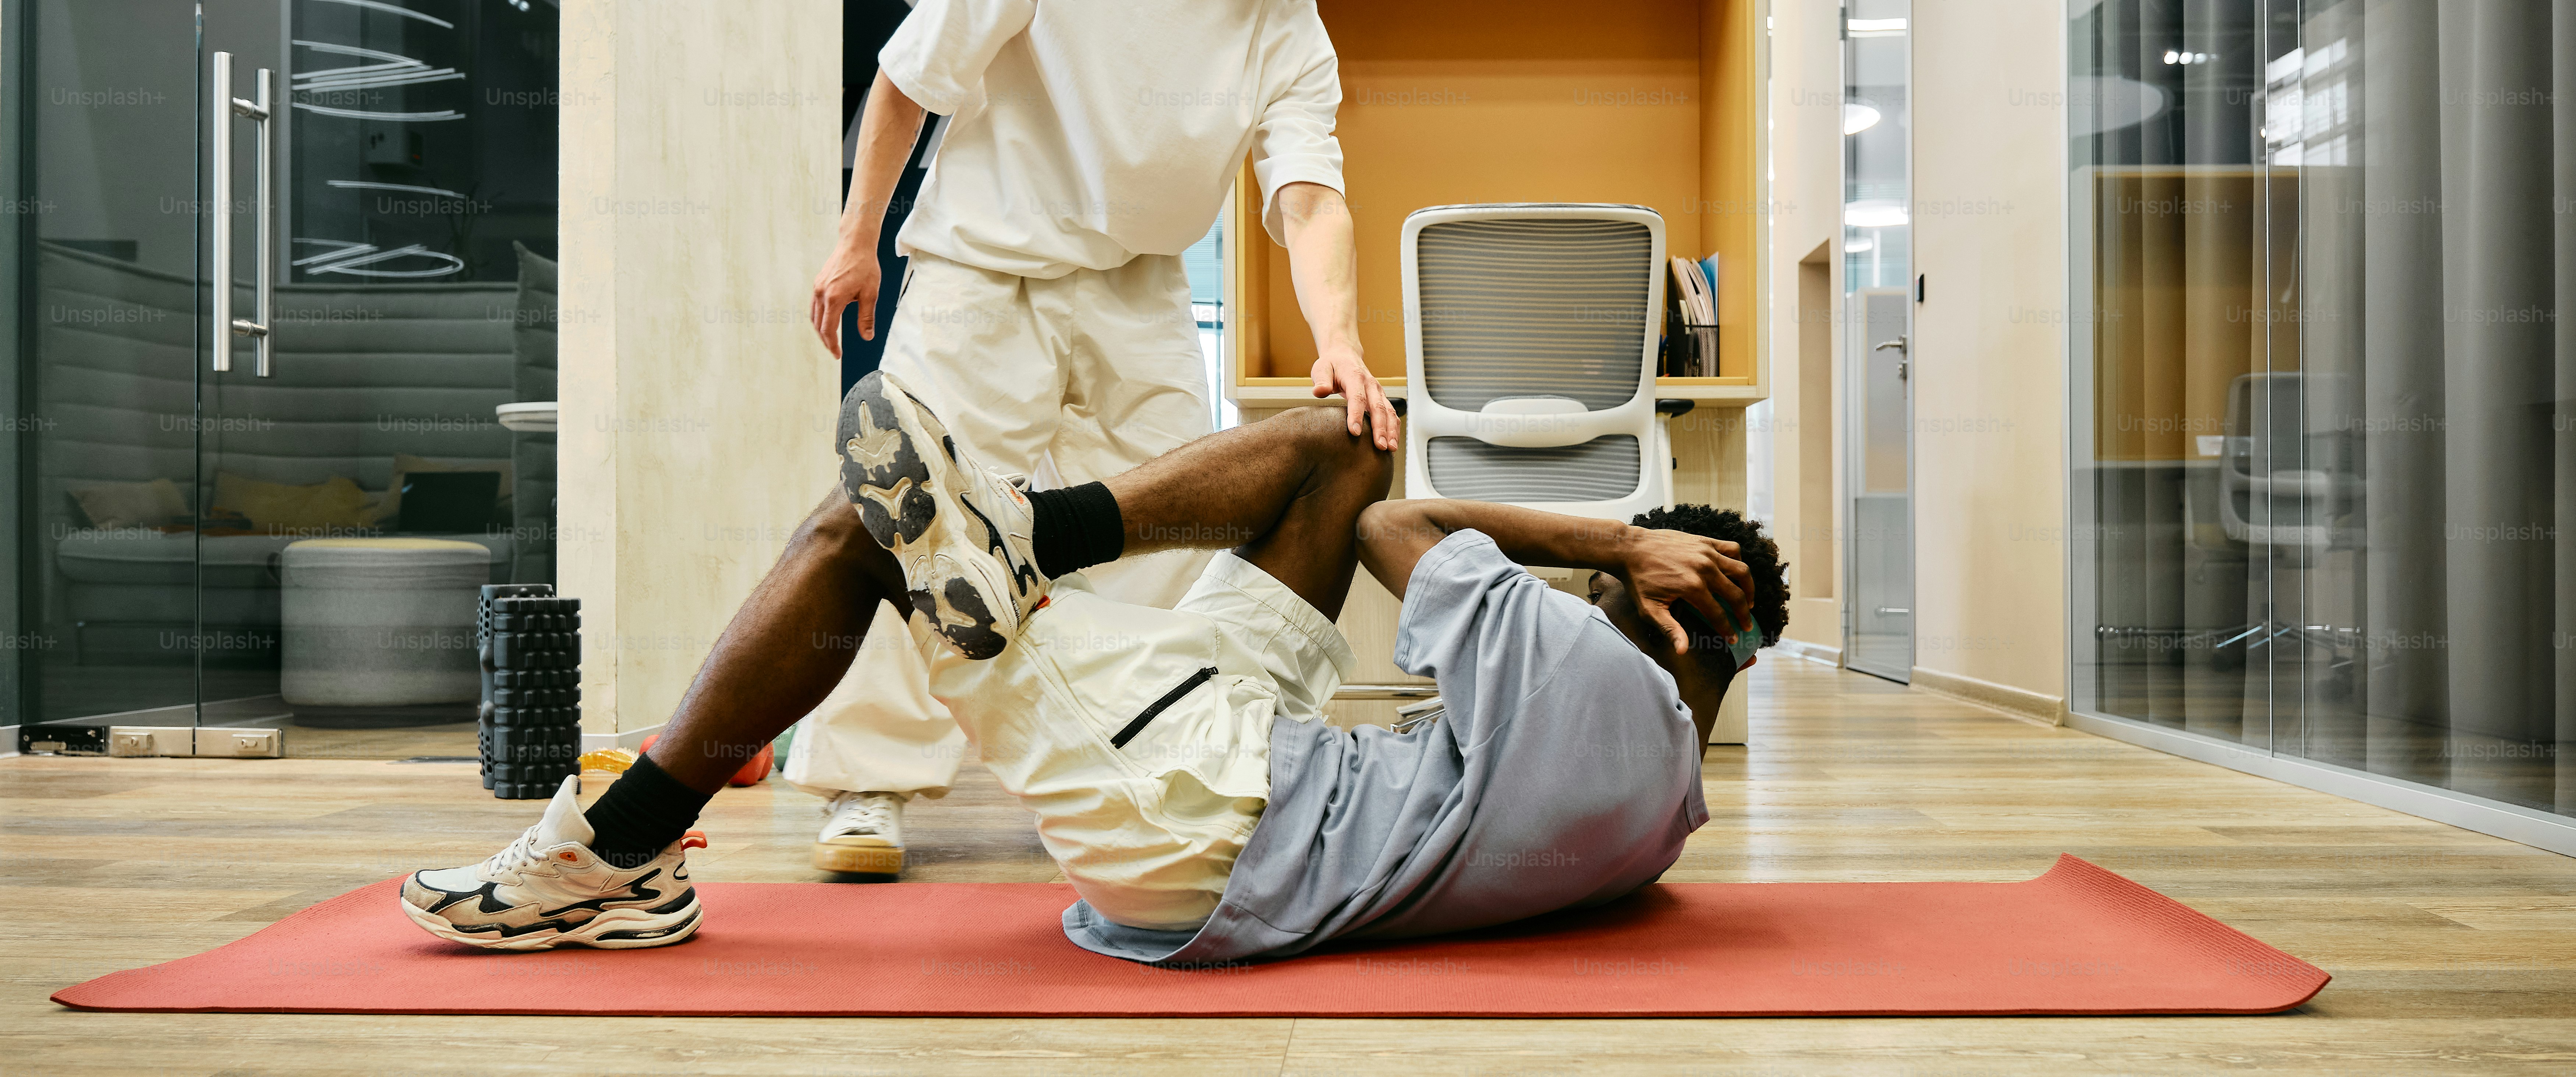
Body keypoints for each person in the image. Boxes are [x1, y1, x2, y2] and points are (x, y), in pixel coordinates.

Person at [399, 371, 1790, 959]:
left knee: (856, 536)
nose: (1578, 586)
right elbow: (1360, 493)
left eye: (1607, 585)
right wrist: (1625, 564)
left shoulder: (1604, 681)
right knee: (1346, 434)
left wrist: (1617, 533)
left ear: (1671, 615)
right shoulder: (1667, 805)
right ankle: (1027, 538)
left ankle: (609, 858)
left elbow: (1395, 529)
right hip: (1277, 773)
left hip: (1204, 809)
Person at [787, 0, 1398, 876]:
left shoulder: (1286, 28)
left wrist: (1341, 340)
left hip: (1139, 291)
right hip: (986, 264)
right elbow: (914, 73)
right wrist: (855, 234)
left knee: (1175, 540)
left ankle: (1125, 754)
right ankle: (865, 785)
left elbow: (1309, 198)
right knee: (907, 518)